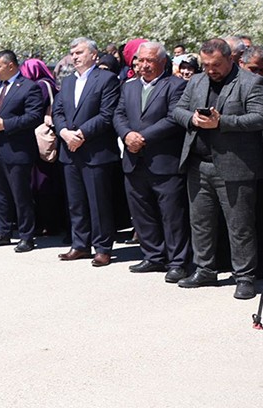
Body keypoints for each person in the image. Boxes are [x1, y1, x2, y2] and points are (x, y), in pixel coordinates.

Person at [171, 38, 263, 300]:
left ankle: (245, 276)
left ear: (231, 59)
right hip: (198, 163)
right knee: (200, 222)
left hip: (235, 165)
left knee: (240, 226)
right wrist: (191, 118)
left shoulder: (251, 82)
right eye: (205, 65)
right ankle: (205, 269)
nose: (210, 70)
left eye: (215, 64)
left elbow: (261, 117)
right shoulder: (196, 81)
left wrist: (221, 122)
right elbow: (177, 110)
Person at [113, 41, 190, 283]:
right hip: (134, 160)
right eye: (140, 60)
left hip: (164, 161)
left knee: (172, 214)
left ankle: (178, 261)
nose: (143, 65)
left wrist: (143, 137)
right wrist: (126, 135)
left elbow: (173, 118)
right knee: (142, 211)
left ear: (163, 63)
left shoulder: (176, 86)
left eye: (150, 61)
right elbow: (119, 114)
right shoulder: (129, 87)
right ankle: (153, 255)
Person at [53, 37, 123, 266]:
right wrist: (64, 132)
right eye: (72, 53)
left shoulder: (107, 79)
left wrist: (80, 134)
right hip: (70, 150)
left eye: (79, 52)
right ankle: (80, 244)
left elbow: (106, 114)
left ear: (94, 55)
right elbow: (58, 111)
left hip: (95, 150)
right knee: (76, 202)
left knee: (98, 202)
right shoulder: (68, 82)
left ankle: (103, 248)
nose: (74, 56)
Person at [0, 51, 46, 251]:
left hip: (17, 150)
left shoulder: (29, 87)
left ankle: (26, 235)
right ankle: (3, 231)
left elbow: (34, 116)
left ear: (10, 66)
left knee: (21, 195)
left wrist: (5, 124)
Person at [20, 57, 66, 238]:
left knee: (42, 184)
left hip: (41, 141)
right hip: (49, 140)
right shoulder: (51, 83)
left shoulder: (39, 86)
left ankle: (49, 223)